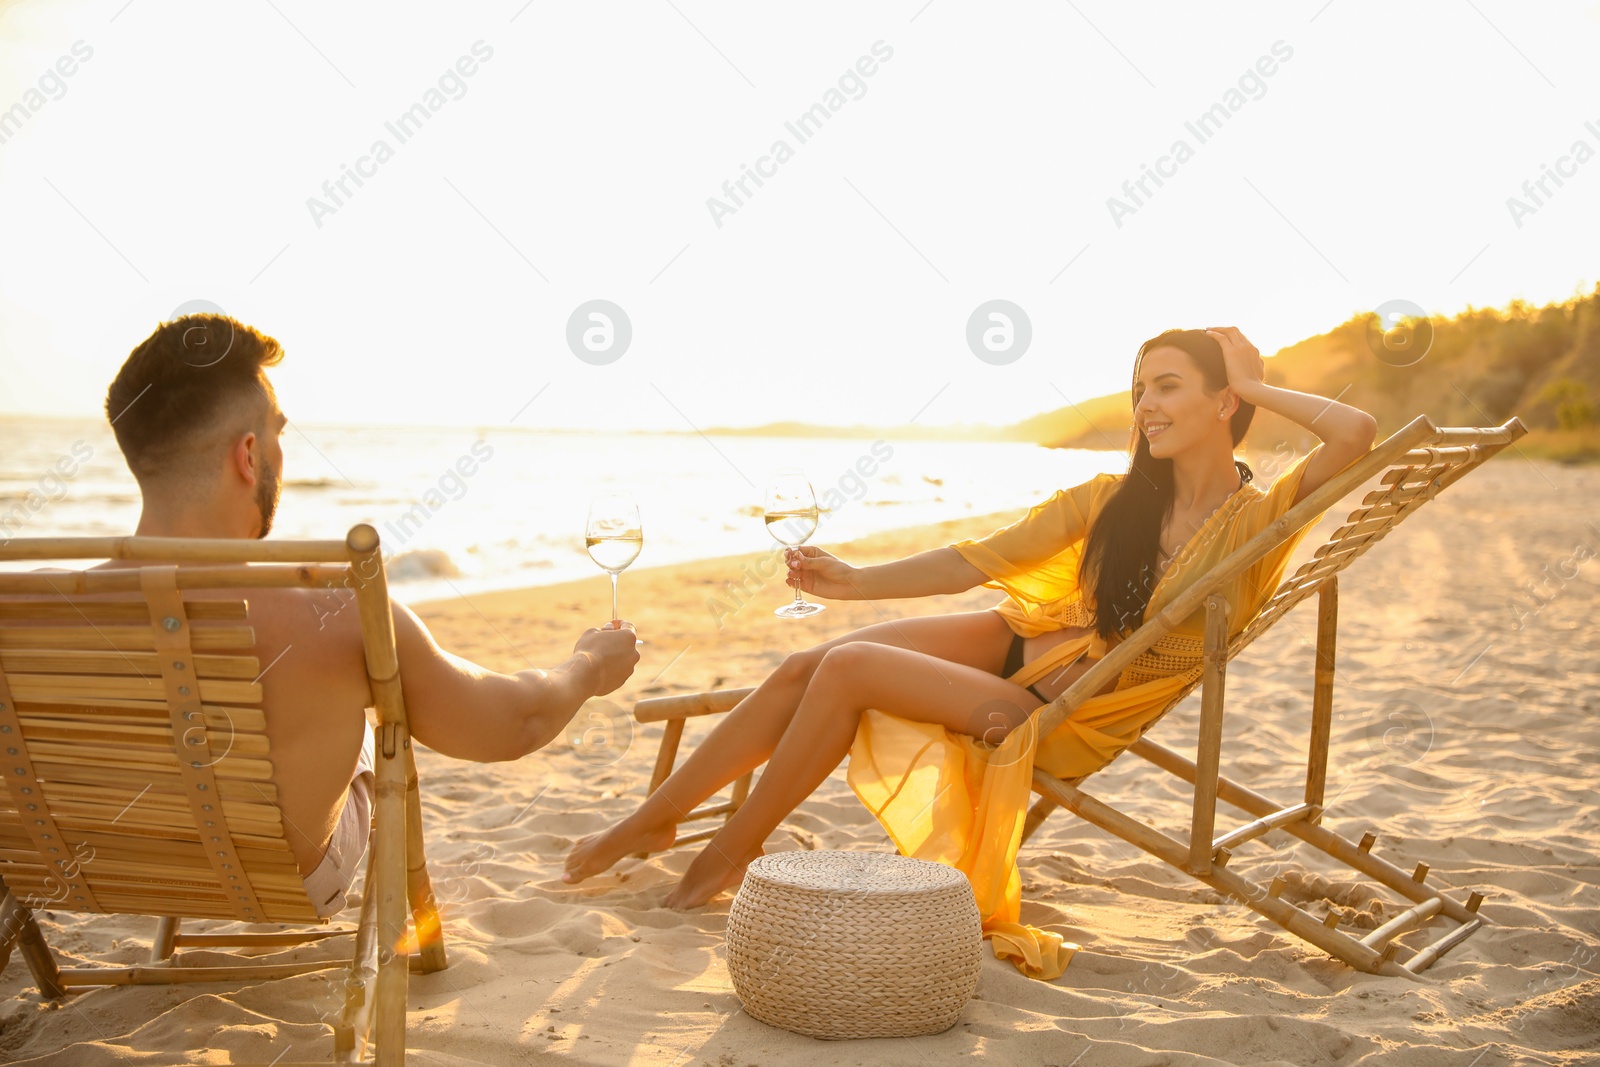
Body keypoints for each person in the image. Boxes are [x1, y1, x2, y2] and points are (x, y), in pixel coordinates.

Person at [563, 326, 1378, 978]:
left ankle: (726, 852)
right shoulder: (1113, 500)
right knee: (806, 663)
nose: (1144, 406)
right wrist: (852, 582)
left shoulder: (1260, 517)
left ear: (1222, 399)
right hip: (1021, 645)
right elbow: (973, 559)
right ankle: (652, 821)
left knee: (846, 669)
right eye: (1138, 389)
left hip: (1058, 712)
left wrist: (1256, 381)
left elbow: (1357, 430)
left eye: (1166, 386)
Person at [93, 313, 640, 916]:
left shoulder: (46, 603)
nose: (282, 450)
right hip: (284, 882)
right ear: (248, 455)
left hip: (112, 875)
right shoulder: (337, 612)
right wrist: (589, 665)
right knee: (372, 712)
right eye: (277, 432)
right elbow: (514, 724)